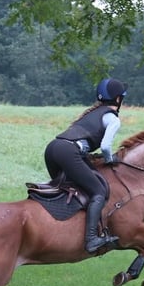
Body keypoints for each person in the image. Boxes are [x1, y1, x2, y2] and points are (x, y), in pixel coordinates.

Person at [44, 77, 128, 253]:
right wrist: (109, 159)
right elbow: (105, 146)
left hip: (53, 148)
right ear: (118, 99)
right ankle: (91, 239)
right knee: (99, 190)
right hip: (68, 152)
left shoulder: (92, 113)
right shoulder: (112, 118)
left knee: (68, 187)